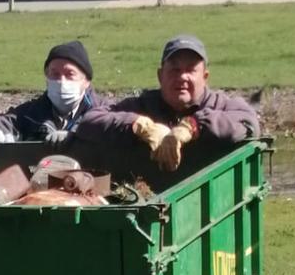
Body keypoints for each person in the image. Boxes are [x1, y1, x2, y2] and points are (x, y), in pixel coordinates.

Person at [74, 34, 259, 172]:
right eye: (175, 69)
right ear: (160, 76)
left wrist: (192, 126)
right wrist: (139, 125)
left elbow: (248, 122)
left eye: (191, 70)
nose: (182, 77)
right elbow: (90, 121)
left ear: (205, 77)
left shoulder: (220, 104)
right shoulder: (144, 105)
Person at [0, 40, 108, 147]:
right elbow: (5, 123)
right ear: (46, 77)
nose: (61, 81)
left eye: (70, 74)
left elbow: (117, 127)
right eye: (54, 74)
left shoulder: (103, 110)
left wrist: (77, 134)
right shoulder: (32, 113)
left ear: (86, 80)